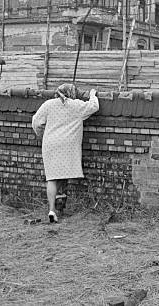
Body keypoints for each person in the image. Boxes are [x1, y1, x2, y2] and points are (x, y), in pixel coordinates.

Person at [32, 83, 99, 223]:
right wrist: (93, 94)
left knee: (52, 177)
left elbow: (36, 122)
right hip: (68, 145)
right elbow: (94, 106)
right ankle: (61, 205)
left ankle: (52, 210)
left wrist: (41, 134)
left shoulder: (48, 104)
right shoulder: (76, 105)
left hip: (50, 144)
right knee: (63, 174)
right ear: (72, 93)